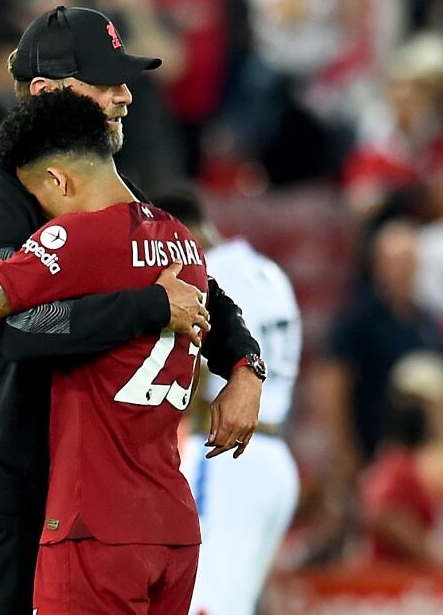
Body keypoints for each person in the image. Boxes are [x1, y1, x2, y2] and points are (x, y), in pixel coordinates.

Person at [0, 6, 265, 615]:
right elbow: (16, 330)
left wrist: (246, 364)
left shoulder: (101, 186)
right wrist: (151, 306)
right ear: (46, 93)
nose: (125, 95)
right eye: (105, 80)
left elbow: (194, 282)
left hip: (76, 492)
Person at [153, 186, 300, 615]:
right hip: (275, 456)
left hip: (226, 458)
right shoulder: (269, 272)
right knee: (236, 603)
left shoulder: (208, 276)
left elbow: (191, 370)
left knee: (204, 603)